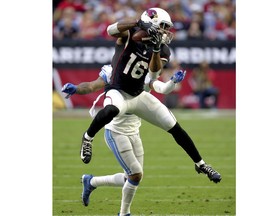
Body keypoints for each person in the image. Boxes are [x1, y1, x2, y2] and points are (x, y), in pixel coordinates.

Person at [64, 7, 221, 208]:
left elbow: (154, 76)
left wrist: (156, 50)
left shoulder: (163, 49)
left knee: (173, 126)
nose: (166, 31)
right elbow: (112, 30)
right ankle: (88, 138)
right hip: (118, 91)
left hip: (138, 95)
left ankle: (201, 165)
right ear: (153, 23)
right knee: (111, 110)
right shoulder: (130, 35)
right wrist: (139, 23)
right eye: (163, 26)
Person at [62, 64, 186, 215]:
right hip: (116, 131)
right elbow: (91, 86)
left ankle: (91, 182)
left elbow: (160, 87)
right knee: (135, 175)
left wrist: (171, 82)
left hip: (134, 131)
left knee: (133, 177)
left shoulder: (142, 71)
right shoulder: (112, 71)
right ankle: (124, 213)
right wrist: (76, 88)